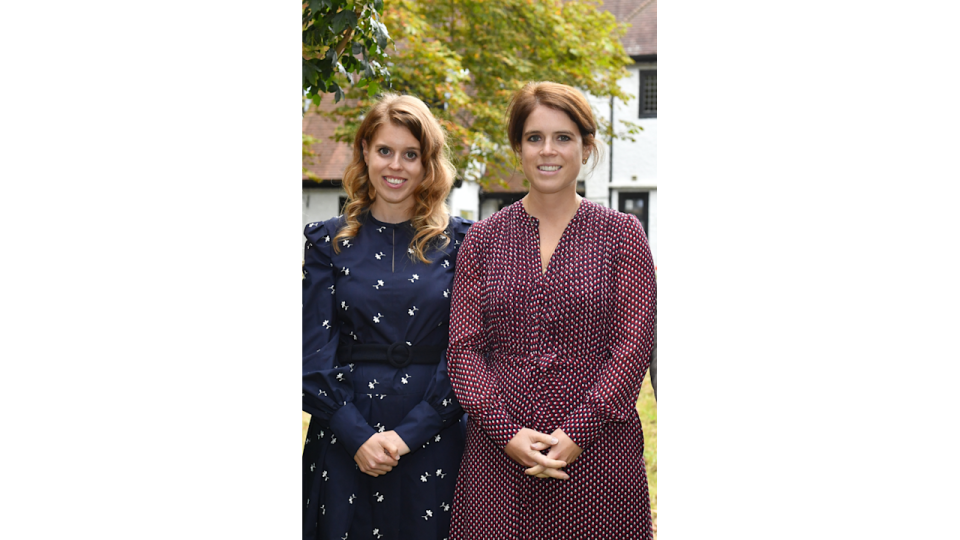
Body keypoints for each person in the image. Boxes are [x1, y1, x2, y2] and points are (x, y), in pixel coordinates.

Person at [447, 82, 657, 539]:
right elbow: (463, 349)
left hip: (599, 448)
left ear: (585, 147)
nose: (548, 151)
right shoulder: (482, 240)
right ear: (518, 148)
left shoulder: (622, 235)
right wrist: (508, 434)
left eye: (563, 137)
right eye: (534, 137)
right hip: (499, 454)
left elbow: (634, 345)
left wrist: (577, 433)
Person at [301, 94, 472, 540]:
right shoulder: (326, 243)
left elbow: (470, 354)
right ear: (364, 153)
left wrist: (410, 434)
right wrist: (356, 435)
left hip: (436, 435)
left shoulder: (463, 244)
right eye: (384, 151)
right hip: (345, 437)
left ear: (427, 163)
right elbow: (312, 356)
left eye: (410, 154)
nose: (396, 166)